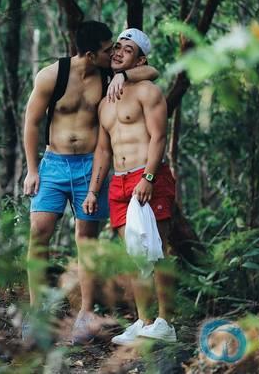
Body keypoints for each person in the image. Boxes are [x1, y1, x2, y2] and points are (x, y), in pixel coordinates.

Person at [22, 21, 159, 344]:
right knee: (39, 233)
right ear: (89, 54)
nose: (113, 53)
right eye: (107, 49)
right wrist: (32, 170)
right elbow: (31, 122)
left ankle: (85, 313)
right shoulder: (51, 76)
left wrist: (125, 75)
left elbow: (152, 72)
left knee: (87, 240)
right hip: (54, 164)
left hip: (89, 166)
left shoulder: (108, 75)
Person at [82, 28, 177, 344]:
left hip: (147, 177)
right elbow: (103, 150)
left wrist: (148, 178)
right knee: (136, 256)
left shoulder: (148, 91)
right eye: (117, 47)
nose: (119, 52)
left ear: (140, 60)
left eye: (128, 49)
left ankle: (165, 323)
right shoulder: (105, 102)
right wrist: (93, 190)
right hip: (119, 184)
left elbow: (159, 137)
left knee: (158, 250)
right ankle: (143, 321)